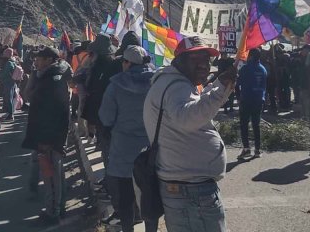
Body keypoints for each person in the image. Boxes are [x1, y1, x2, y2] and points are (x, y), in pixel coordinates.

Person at [144, 36, 236, 232]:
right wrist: (219, 92)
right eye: (196, 59)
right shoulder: (177, 86)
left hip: (185, 189)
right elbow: (187, 117)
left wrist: (218, 85)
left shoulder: (173, 83)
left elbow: (190, 106)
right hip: (191, 193)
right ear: (179, 61)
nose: (204, 65)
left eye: (206, 59)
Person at [99, 45, 157, 232]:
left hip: (123, 150)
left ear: (127, 63)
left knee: (125, 199)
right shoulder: (157, 83)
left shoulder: (115, 86)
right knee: (149, 199)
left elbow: (106, 117)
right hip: (152, 150)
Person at [22, 47, 72, 227]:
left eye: (39, 59)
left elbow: (59, 112)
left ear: (49, 60)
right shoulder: (49, 76)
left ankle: (53, 213)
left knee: (51, 176)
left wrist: (49, 140)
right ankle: (58, 207)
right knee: (55, 175)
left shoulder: (52, 80)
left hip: (49, 138)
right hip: (51, 136)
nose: (36, 62)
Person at [236, 48, 267, 160]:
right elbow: (264, 85)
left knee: (244, 124)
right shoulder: (263, 69)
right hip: (258, 99)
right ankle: (257, 150)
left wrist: (238, 96)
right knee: (256, 125)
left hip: (246, 99)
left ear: (252, 56)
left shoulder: (245, 68)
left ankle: (246, 148)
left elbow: (238, 83)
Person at [0, 47, 17, 120]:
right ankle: (7, 111)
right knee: (8, 97)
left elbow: (5, 73)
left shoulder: (8, 63)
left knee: (9, 98)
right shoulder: (13, 61)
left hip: (8, 82)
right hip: (11, 82)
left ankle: (11, 114)